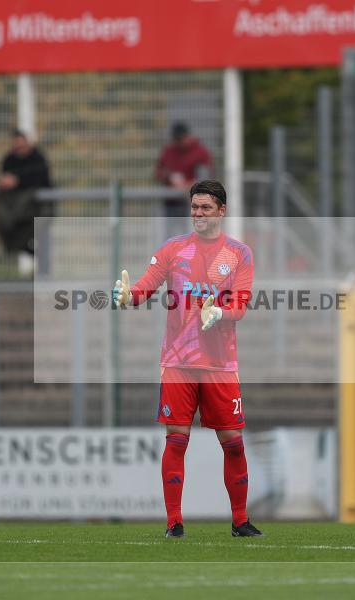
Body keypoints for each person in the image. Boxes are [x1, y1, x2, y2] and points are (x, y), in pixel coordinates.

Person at [112, 180, 261, 539]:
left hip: (220, 364)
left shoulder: (238, 254)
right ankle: (174, 523)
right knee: (176, 439)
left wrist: (220, 315)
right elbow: (144, 287)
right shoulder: (173, 249)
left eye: (206, 208)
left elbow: (239, 305)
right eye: (194, 207)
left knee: (233, 442)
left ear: (221, 211)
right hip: (178, 361)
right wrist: (125, 296)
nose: (198, 214)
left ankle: (240, 520)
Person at [0, 129, 53, 255]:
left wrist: (17, 180)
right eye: (17, 146)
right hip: (15, 214)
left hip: (36, 210)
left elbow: (41, 178)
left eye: (22, 145)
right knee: (9, 234)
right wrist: (4, 182)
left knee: (36, 237)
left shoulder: (37, 157)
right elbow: (4, 178)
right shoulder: (9, 159)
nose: (20, 148)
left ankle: (40, 258)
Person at [155, 123, 214, 234]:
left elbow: (207, 177)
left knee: (192, 235)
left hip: (193, 204)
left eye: (181, 139)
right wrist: (170, 178)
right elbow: (158, 172)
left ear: (188, 136)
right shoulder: (169, 151)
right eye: (176, 139)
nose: (179, 142)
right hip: (171, 203)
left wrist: (188, 185)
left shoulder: (200, 152)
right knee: (169, 238)